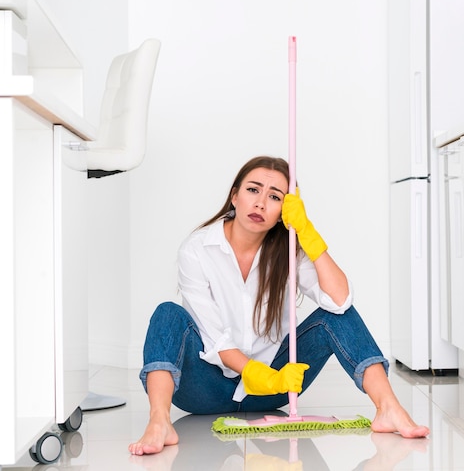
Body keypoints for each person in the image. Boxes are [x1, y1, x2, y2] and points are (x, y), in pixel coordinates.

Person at [128, 155, 430, 456]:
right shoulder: (197, 249)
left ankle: (388, 407)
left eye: (274, 197)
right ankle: (159, 421)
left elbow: (340, 301)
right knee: (167, 313)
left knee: (336, 316)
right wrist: (259, 374)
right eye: (252, 190)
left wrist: (307, 233)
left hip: (272, 392)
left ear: (283, 210)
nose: (260, 203)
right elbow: (214, 337)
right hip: (204, 390)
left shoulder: (289, 252)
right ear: (234, 195)